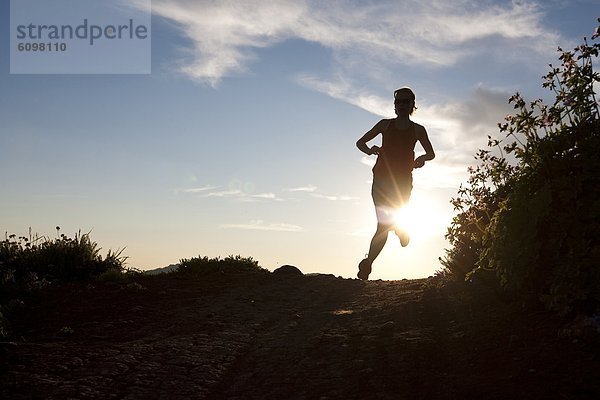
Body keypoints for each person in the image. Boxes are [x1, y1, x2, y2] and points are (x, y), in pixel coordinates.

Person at [355, 87, 435, 280]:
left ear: (412, 105)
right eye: (398, 102)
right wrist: (370, 150)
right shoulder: (384, 125)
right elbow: (360, 143)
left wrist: (421, 159)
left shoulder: (418, 130)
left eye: (405, 102)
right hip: (381, 181)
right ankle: (369, 265)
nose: (401, 105)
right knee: (383, 225)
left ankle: (399, 231)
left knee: (387, 223)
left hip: (403, 183)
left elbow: (431, 153)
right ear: (394, 105)